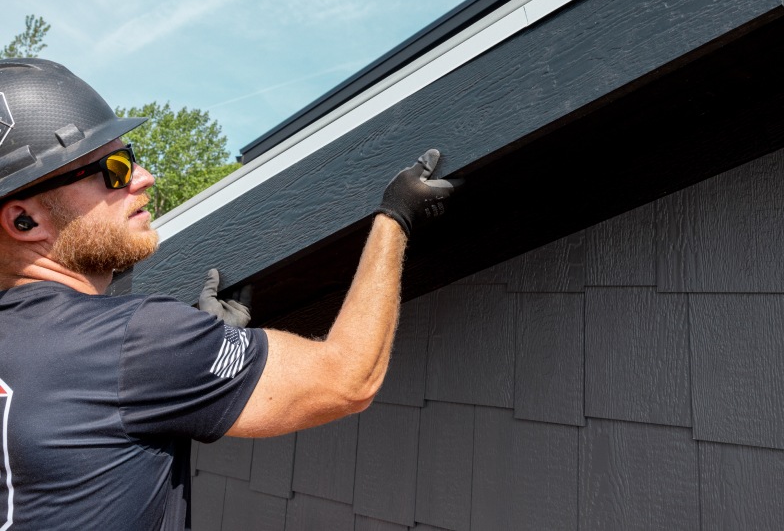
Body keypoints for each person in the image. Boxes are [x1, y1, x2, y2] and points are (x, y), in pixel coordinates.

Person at [0, 58, 460, 530]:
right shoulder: (136, 340)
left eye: (130, 157)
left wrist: (195, 357)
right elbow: (347, 379)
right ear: (24, 220)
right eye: (113, 170)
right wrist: (394, 219)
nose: (143, 178)